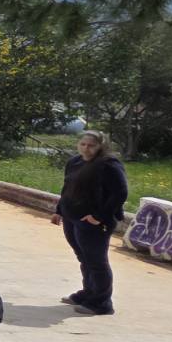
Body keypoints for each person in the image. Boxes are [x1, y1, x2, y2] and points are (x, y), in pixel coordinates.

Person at [52, 130, 128, 316]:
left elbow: (120, 193)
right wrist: (59, 211)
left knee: (96, 261)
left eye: (91, 145)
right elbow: (67, 187)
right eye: (83, 144)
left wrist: (99, 216)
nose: (86, 148)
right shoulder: (74, 162)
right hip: (73, 218)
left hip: (94, 222)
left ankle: (101, 302)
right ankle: (88, 293)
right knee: (84, 258)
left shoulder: (108, 165)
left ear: (101, 146)